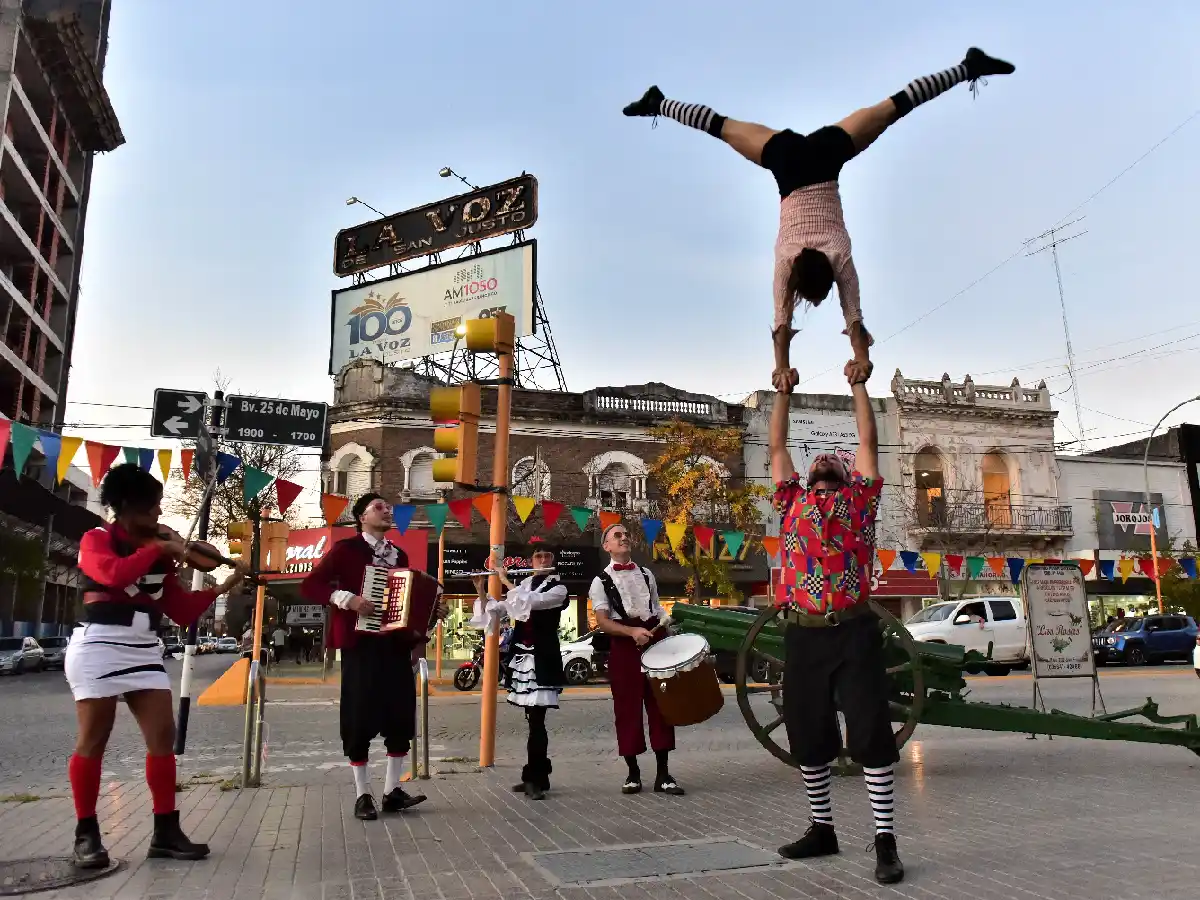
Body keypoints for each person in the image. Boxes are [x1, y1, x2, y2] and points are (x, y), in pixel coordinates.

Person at [621, 47, 1015, 392]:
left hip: (826, 155)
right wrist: (780, 367)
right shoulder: (787, 261)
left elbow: (854, 317)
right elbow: (782, 326)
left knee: (893, 109)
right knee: (722, 127)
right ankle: (660, 104)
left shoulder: (839, 255)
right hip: (786, 159)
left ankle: (966, 68)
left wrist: (856, 359)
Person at [67, 463, 249, 868]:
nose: (159, 517)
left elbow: (180, 609)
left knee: (162, 737)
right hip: (99, 644)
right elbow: (111, 576)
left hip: (144, 647)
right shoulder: (97, 539)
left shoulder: (161, 551)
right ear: (127, 508)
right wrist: (159, 549)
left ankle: (166, 831)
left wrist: (222, 586)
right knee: (94, 738)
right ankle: (86, 833)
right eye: (152, 509)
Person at [769, 358, 904, 884]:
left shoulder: (861, 502)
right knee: (808, 731)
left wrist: (859, 385)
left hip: (853, 630)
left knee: (870, 731)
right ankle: (822, 829)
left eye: (836, 459)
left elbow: (868, 440)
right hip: (803, 632)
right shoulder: (792, 501)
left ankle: (885, 840)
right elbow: (778, 447)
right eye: (819, 458)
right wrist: (783, 390)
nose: (825, 458)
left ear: (848, 474)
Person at [300, 492, 445, 820]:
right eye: (379, 507)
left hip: (394, 646)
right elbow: (311, 585)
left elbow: (407, 606)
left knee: (400, 715)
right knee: (359, 716)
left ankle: (392, 790)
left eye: (389, 508)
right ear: (361, 517)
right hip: (360, 645)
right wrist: (346, 599)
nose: (387, 511)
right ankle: (362, 794)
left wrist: (433, 612)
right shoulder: (346, 550)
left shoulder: (400, 554)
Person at [588, 524, 684, 796]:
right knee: (627, 710)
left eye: (626, 534)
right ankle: (633, 774)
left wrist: (662, 628)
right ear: (606, 546)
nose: (624, 537)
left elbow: (655, 608)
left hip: (654, 640)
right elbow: (604, 623)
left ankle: (664, 775)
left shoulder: (646, 573)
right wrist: (631, 632)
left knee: (661, 707)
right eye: (617, 535)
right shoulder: (600, 581)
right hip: (624, 645)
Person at [469, 549, 569, 800]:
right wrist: (481, 588)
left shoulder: (559, 589)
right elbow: (497, 610)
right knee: (532, 721)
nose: (544, 560)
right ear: (530, 562)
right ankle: (537, 776)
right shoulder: (523, 584)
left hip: (542, 658)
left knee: (537, 722)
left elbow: (532, 604)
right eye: (539, 557)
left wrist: (504, 581)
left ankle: (534, 778)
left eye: (547, 556)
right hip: (523, 657)